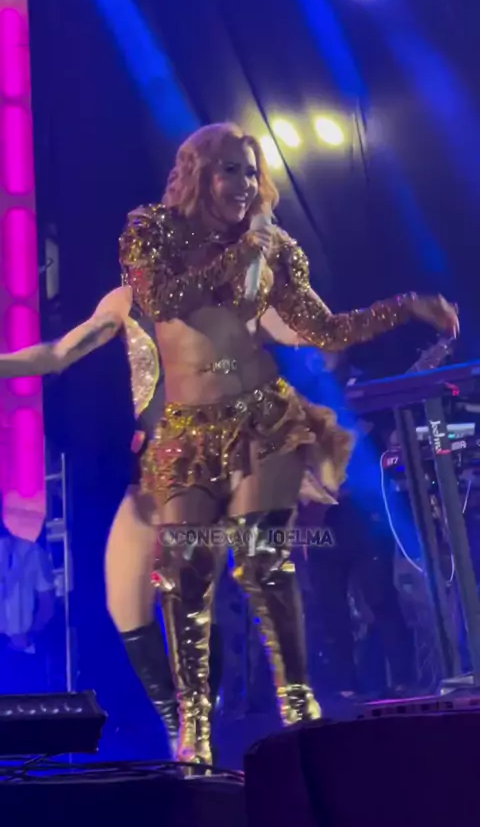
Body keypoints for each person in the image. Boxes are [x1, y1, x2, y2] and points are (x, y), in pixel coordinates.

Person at [0, 122, 458, 763]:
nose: (244, 184)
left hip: (262, 418)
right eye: (229, 170)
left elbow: (324, 329)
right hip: (181, 435)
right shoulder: (152, 236)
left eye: (251, 171)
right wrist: (246, 253)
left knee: (264, 562)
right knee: (183, 575)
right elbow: (165, 300)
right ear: (198, 173)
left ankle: (299, 708)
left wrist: (405, 306)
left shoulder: (270, 251)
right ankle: (191, 726)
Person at [0, 518, 55, 693]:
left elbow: (47, 603)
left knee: (24, 699)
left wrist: (29, 636)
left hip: (21, 648)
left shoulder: (31, 552)